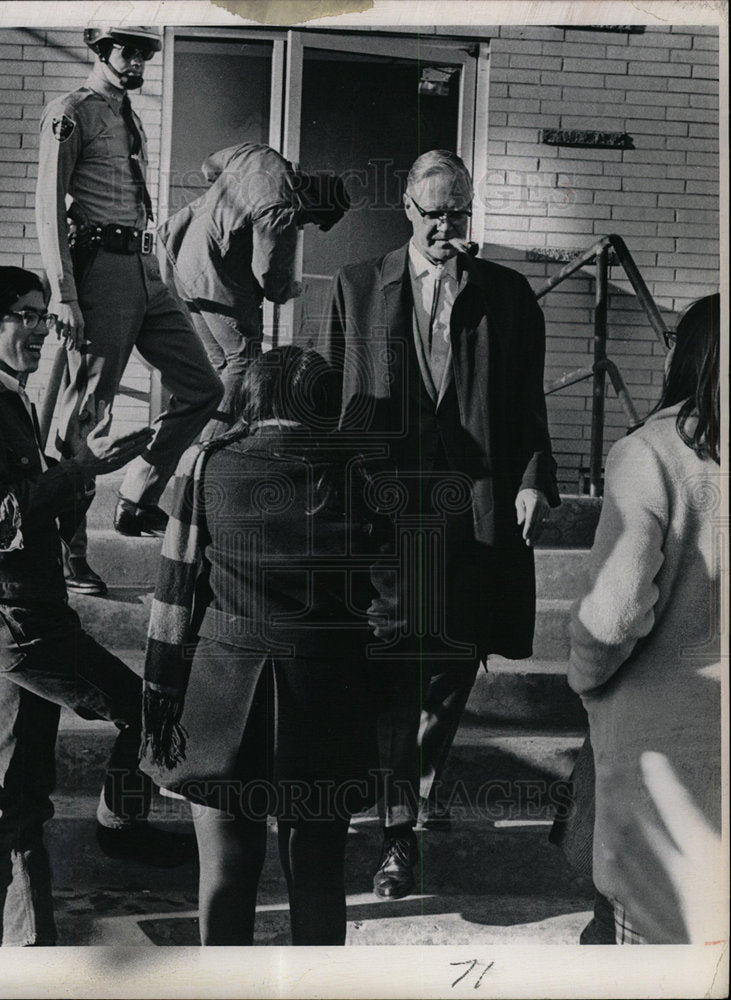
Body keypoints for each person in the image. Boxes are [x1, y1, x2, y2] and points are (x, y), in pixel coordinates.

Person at [319, 149, 560, 899]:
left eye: (459, 212)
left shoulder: (507, 295)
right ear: (405, 208)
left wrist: (531, 481)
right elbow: (333, 395)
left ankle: (418, 789)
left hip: (476, 506)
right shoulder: (358, 284)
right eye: (433, 214)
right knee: (395, 671)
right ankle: (397, 834)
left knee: (452, 668)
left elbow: (526, 400)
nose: (446, 227)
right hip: (390, 510)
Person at [0, 266, 193, 947]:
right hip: (10, 618)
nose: (40, 328)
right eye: (25, 315)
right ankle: (121, 828)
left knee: (21, 795)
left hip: (23, 608)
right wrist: (81, 471)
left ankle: (26, 946)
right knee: (144, 710)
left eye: (42, 315)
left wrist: (80, 467)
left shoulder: (7, 396)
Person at [139, 346, 388, 945]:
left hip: (224, 685)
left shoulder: (206, 464)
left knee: (225, 873)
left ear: (253, 396)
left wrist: (160, 689)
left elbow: (176, 588)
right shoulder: (360, 470)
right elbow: (384, 589)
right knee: (320, 875)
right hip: (326, 685)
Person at [36, 26, 222, 595]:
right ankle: (68, 549)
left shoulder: (128, 113)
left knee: (203, 389)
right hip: (101, 274)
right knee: (88, 416)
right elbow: (48, 204)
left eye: (145, 51)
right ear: (101, 51)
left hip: (145, 271)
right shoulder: (71, 112)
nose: (137, 59)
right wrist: (64, 292)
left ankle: (137, 493)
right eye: (127, 50)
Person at [568, 293, 722, 944]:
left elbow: (615, 609)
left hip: (664, 756)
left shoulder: (652, 452)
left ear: (679, 357)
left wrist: (585, 676)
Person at [157, 142, 350, 440]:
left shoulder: (258, 153)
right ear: (313, 201)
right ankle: (208, 451)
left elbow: (209, 165)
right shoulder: (282, 206)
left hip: (181, 255)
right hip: (213, 268)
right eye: (310, 220)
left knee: (220, 365)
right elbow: (269, 276)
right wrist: (289, 289)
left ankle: (185, 445)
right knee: (243, 360)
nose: (302, 226)